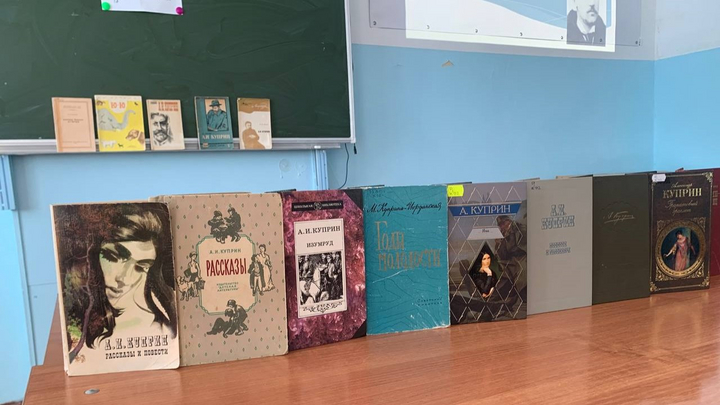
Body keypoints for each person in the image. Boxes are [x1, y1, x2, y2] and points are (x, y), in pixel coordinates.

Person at [59, 204, 177, 364]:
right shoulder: (73, 312)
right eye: (113, 257)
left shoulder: (157, 326)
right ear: (92, 254)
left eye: (141, 266)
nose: (124, 278)